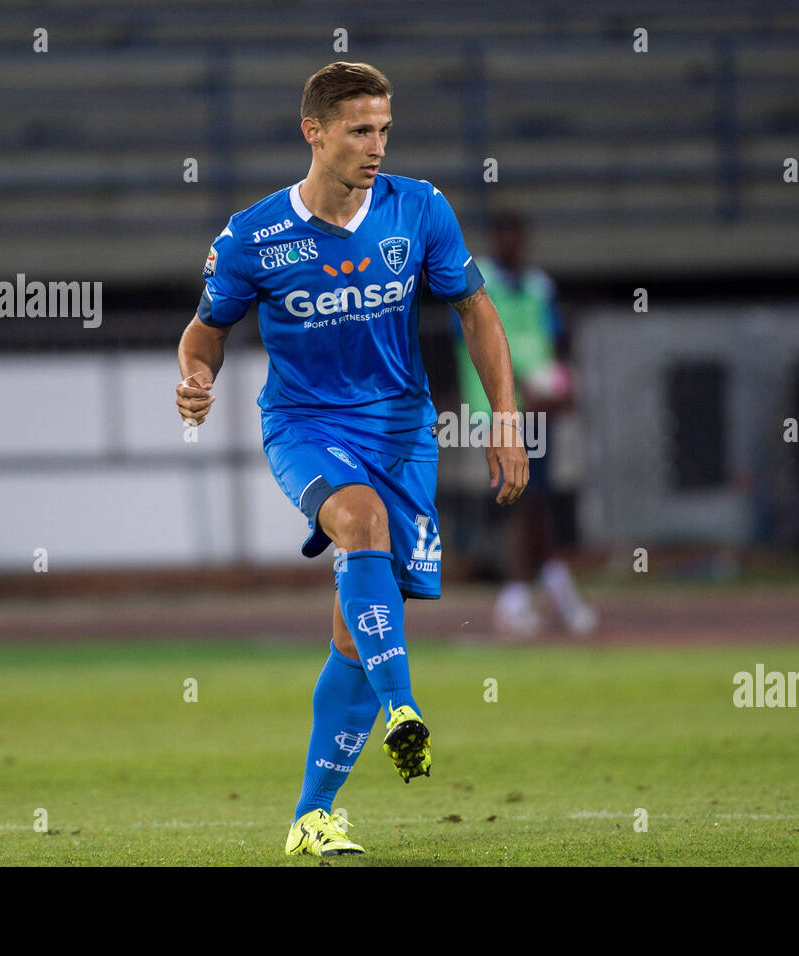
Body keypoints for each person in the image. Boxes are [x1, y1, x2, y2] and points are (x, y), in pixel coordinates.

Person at [175, 62, 528, 855]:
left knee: (353, 635)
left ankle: (313, 814)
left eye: (384, 130)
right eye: (360, 130)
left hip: (402, 432)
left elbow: (477, 311)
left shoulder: (420, 209)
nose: (376, 146)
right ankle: (404, 707)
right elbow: (206, 331)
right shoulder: (252, 236)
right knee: (360, 524)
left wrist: (505, 420)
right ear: (315, 131)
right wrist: (196, 378)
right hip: (303, 425)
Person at [451, 210, 596, 637]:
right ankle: (522, 593)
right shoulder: (478, 282)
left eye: (518, 233)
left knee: (539, 496)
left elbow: (550, 344)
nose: (512, 241)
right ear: (496, 238)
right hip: (497, 413)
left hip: (538, 410)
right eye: (505, 233)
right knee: (519, 497)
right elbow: (476, 342)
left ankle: (541, 585)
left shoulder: (538, 287)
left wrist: (560, 385)